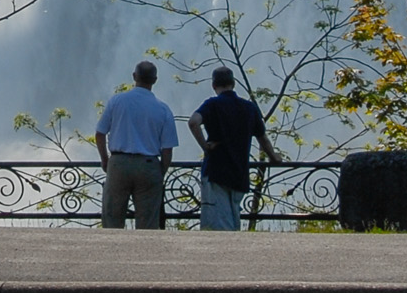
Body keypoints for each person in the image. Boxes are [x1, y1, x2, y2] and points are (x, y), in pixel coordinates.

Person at [188, 67, 281, 231]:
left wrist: (205, 146)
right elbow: (263, 138)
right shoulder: (249, 108)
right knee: (233, 220)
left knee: (217, 224)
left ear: (213, 85)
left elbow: (193, 122)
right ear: (234, 83)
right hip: (239, 173)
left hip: (216, 171)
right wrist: (274, 158)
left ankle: (223, 254)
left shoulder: (212, 105)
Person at [93, 61, 177, 229]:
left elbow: (100, 133)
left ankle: (110, 253)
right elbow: (167, 149)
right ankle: (145, 253)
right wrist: (160, 171)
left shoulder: (117, 101)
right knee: (148, 223)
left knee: (112, 219)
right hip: (148, 165)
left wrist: (105, 160)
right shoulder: (163, 109)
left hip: (119, 164)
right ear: (155, 80)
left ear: (134, 77)